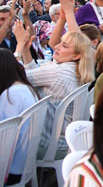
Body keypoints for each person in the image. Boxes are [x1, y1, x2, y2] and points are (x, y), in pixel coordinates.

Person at [14, 18, 95, 157]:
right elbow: (35, 76)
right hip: (66, 141)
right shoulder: (76, 70)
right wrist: (27, 51)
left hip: (47, 145)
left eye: (64, 46)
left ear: (76, 56)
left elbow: (16, 78)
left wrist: (19, 47)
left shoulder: (58, 72)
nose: (56, 47)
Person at [0, 48, 39, 187]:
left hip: (12, 168)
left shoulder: (11, 96)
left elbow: (5, 137)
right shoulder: (24, 87)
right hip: (25, 161)